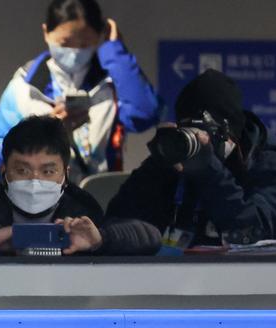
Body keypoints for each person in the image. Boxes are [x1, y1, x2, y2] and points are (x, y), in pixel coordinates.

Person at [0, 0, 160, 201]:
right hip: (32, 205)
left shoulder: (112, 84)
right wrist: (42, 135)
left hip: (95, 204)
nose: (74, 52)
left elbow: (145, 115)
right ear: (46, 33)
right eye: (64, 43)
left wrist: (116, 52)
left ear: (99, 37)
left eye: (84, 44)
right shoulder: (25, 86)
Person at [0, 116, 160, 255]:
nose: (34, 180)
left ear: (65, 174)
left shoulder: (83, 216)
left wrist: (100, 239)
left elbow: (149, 236)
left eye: (48, 171)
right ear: (4, 173)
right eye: (22, 170)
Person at [107, 69, 276, 248]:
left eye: (205, 133)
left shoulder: (266, 163)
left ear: (230, 135)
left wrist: (209, 170)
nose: (197, 142)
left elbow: (255, 230)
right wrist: (157, 164)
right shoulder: (177, 159)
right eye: (187, 129)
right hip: (178, 272)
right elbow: (117, 220)